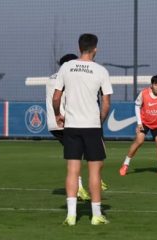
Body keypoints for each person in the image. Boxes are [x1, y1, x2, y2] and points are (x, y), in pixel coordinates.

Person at [53, 33, 113, 226]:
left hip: (71, 126)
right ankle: (96, 215)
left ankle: (71, 216)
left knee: (72, 170)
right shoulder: (101, 71)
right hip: (92, 126)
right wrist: (100, 120)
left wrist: (57, 114)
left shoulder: (66, 67)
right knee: (94, 172)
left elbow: (56, 97)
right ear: (95, 48)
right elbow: (106, 103)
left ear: (79, 47)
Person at [46, 54, 108, 201]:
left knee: (76, 158)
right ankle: (87, 185)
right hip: (70, 121)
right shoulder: (69, 77)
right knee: (87, 156)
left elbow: (55, 98)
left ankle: (90, 183)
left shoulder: (50, 79)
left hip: (54, 124)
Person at [119, 75, 157, 177]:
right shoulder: (144, 93)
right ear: (151, 85)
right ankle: (125, 164)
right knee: (139, 141)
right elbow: (137, 105)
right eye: (156, 85)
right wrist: (139, 122)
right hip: (144, 122)